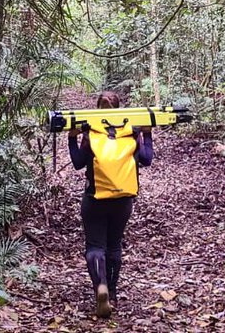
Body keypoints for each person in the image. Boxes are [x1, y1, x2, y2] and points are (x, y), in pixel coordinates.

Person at [67, 91, 154, 318]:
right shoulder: (130, 135)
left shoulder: (91, 135)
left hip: (94, 199)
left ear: (97, 111)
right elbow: (146, 159)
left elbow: (77, 163)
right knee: (114, 245)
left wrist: (71, 138)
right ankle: (112, 294)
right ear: (120, 110)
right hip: (123, 200)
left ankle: (100, 287)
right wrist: (147, 135)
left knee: (95, 246)